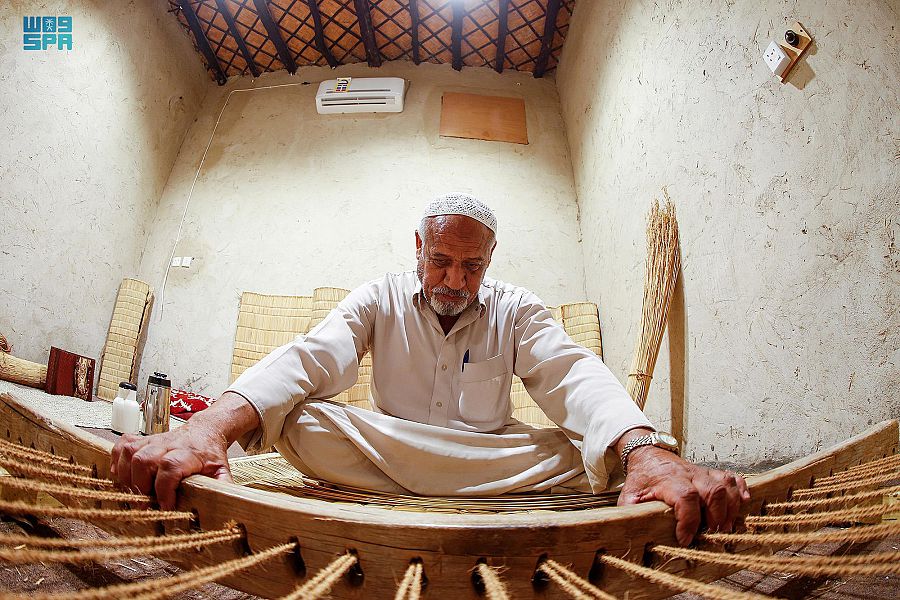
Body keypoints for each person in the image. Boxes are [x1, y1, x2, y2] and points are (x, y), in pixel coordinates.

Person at [112, 193, 749, 546]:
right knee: (302, 423)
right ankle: (464, 489)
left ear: (490, 261)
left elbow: (570, 370)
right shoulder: (378, 297)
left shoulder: (515, 309)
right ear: (418, 248)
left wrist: (644, 450)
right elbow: (313, 354)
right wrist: (210, 427)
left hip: (491, 459)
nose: (454, 280)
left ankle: (616, 463)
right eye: (441, 260)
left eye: (472, 267)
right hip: (389, 450)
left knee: (590, 451)